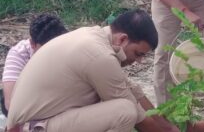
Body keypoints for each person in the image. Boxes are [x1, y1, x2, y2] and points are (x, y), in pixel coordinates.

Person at [6, 9, 178, 132]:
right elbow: (138, 115)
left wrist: (167, 126)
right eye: (138, 54)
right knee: (125, 112)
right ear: (123, 39)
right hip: (31, 126)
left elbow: (132, 89)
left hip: (39, 122)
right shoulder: (99, 56)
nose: (139, 61)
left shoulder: (93, 37)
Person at [1, 14, 68, 116]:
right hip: (34, 105)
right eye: (48, 50)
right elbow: (10, 104)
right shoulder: (20, 54)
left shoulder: (70, 47)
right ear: (33, 44)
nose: (55, 54)